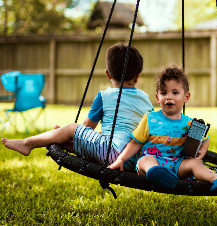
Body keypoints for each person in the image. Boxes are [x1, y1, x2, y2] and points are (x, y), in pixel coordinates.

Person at [1, 42, 154, 171]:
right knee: (98, 137)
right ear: (138, 75)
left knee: (72, 129)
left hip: (111, 154)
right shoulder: (146, 100)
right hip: (134, 160)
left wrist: (73, 133)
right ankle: (61, 140)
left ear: (108, 74)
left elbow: (87, 126)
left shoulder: (104, 96)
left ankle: (27, 143)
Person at [108, 65, 217, 192]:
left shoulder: (189, 124)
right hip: (152, 163)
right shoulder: (149, 119)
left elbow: (205, 139)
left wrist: (202, 151)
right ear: (157, 98)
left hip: (178, 165)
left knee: (195, 163)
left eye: (175, 92)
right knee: (146, 160)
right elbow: (135, 143)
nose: (169, 97)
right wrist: (120, 159)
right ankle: (157, 174)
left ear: (186, 97)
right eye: (164, 93)